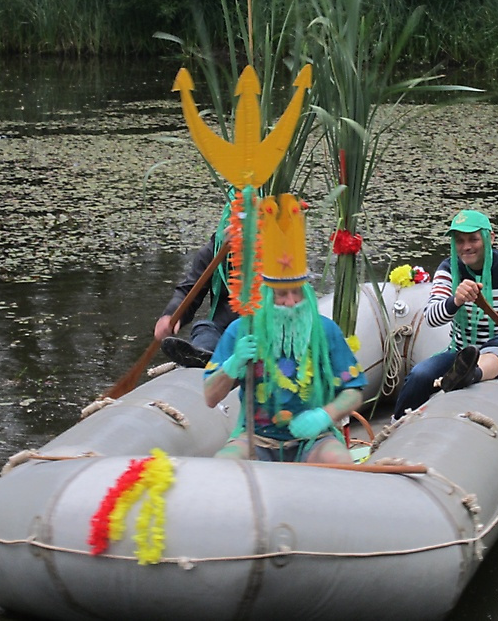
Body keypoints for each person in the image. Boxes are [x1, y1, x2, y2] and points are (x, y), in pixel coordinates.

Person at [203, 194, 367, 463]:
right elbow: (210, 397)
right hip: (255, 438)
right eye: (281, 295)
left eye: (296, 293)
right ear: (266, 297)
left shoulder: (325, 331)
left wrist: (324, 415)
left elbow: (354, 390)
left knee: (340, 462)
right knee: (225, 463)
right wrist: (233, 365)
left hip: (314, 440)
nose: (291, 303)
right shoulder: (241, 330)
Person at [392, 209, 498, 419]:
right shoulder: (448, 268)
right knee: (420, 375)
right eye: (460, 241)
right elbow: (432, 318)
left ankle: (472, 374)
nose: (466, 247)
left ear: (490, 238)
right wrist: (456, 300)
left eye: (473, 239)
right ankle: (397, 424)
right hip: (464, 354)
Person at [155, 207, 238, 368]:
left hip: (263, 329)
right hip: (222, 330)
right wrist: (171, 315)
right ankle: (202, 357)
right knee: (203, 328)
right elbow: (189, 290)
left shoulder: (275, 252)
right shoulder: (214, 251)